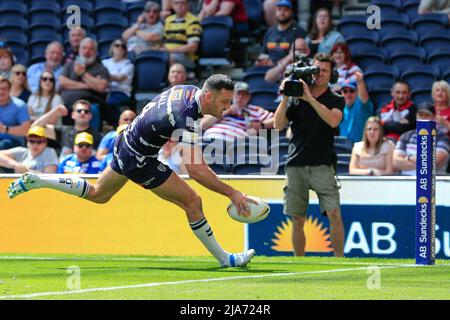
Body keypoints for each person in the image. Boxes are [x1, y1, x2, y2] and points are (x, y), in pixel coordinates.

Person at [8, 74, 257, 268]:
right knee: (193, 200)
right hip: (139, 157)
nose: (227, 107)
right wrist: (233, 193)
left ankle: (39, 180)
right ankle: (226, 259)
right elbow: (195, 170)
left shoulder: (190, 91)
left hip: (125, 141)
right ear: (209, 96)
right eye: (224, 101)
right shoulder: (188, 116)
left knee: (98, 194)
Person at [273, 53, 345, 257]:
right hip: (296, 163)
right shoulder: (297, 96)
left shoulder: (335, 99)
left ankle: (340, 261)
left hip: (323, 165)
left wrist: (310, 99)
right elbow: (278, 125)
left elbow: (333, 121)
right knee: (297, 218)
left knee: (334, 214)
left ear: (332, 74)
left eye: (324, 71)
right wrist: (286, 96)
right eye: (317, 69)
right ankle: (299, 262)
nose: (319, 74)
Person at [59, 37, 110, 128]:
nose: (87, 51)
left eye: (91, 49)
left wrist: (83, 74)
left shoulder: (101, 68)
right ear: (79, 49)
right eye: (84, 48)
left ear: (95, 51)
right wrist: (88, 85)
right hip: (67, 104)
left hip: (89, 105)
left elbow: (101, 87)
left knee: (92, 110)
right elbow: (63, 82)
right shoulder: (70, 65)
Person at [201, 81, 275, 142]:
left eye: (244, 95)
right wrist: (227, 111)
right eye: (238, 94)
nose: (240, 97)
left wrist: (262, 125)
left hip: (235, 146)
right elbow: (203, 125)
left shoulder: (255, 110)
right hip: (210, 140)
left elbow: (276, 119)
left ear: (249, 97)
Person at [393, 102, 450, 175]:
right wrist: (424, 165)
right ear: (416, 116)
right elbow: (396, 162)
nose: (423, 117)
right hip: (406, 182)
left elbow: (434, 161)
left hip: (433, 183)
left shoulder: (442, 137)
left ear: (434, 118)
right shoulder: (406, 136)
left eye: (427, 115)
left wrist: (408, 157)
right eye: (420, 115)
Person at [32, 99, 102, 158]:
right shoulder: (64, 130)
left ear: (90, 116)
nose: (82, 113)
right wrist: (55, 111)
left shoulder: (97, 136)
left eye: (86, 111)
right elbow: (34, 128)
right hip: (64, 172)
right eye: (79, 111)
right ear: (73, 115)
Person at [256, 0, 306, 68]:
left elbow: (297, 54)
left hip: (287, 68)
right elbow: (263, 53)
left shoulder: (298, 31)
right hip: (267, 67)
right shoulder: (270, 31)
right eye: (279, 10)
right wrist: (261, 61)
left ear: (291, 12)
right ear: (275, 12)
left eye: (285, 10)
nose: (282, 12)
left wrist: (277, 65)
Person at [101, 40, 134, 126]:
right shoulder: (104, 62)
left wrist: (104, 76)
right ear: (112, 47)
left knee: (111, 103)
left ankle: (113, 126)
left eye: (123, 46)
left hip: (121, 92)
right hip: (104, 90)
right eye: (117, 45)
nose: (120, 48)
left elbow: (120, 77)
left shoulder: (128, 64)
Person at [163, 0, 203, 70]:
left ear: (187, 5)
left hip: (187, 58)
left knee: (171, 56)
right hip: (168, 54)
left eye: (182, 3)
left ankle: (171, 80)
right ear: (172, 5)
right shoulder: (168, 20)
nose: (179, 5)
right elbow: (163, 41)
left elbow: (193, 47)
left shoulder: (193, 21)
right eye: (176, 3)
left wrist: (170, 50)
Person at [338, 71, 374, 144]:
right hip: (343, 148)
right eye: (345, 91)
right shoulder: (340, 107)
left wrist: (360, 81)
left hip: (361, 149)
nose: (348, 94)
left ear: (357, 92)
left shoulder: (362, 105)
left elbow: (363, 96)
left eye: (351, 91)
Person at [0, 76, 31, 150]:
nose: (1, 92)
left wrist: (5, 129)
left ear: (10, 90)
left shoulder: (20, 105)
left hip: (13, 143)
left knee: (4, 145)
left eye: (4, 89)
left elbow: (26, 130)